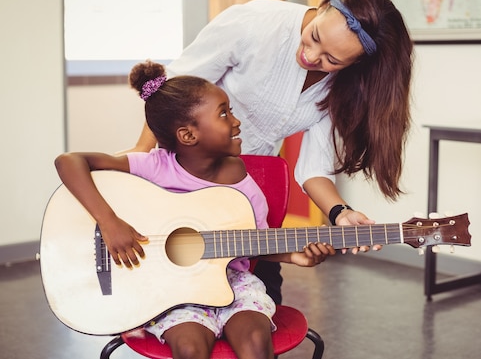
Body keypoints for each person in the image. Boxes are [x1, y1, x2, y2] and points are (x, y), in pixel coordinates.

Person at [128, 0, 414, 302]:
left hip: (251, 190)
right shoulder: (254, 23)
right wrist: (141, 163)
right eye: (315, 36)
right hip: (188, 178)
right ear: (322, 7)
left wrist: (340, 213)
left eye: (331, 59)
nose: (310, 56)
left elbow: (313, 169)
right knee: (178, 291)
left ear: (354, 63)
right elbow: (168, 92)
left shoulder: (343, 87)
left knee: (263, 298)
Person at [55, 61, 334, 359]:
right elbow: (69, 161)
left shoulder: (240, 181)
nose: (236, 121)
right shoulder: (154, 166)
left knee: (255, 340)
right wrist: (109, 222)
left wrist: (294, 256)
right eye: (224, 113)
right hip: (173, 292)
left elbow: (256, 242)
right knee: (189, 348)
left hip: (234, 284)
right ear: (188, 136)